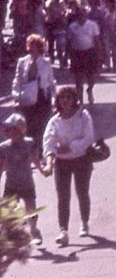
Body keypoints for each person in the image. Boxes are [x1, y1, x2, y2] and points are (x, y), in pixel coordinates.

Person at [43, 86, 97, 246]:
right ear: (58, 101)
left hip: (82, 159)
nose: (65, 101)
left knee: (82, 192)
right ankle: (63, 231)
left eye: (69, 97)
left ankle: (84, 223)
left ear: (75, 100)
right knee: (63, 196)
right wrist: (49, 163)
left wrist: (70, 147)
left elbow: (89, 137)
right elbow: (48, 143)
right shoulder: (54, 121)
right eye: (62, 98)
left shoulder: (83, 116)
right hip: (62, 162)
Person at [0, 113, 49, 245]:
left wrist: (42, 169)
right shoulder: (4, 147)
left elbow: (34, 159)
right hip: (11, 183)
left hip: (26, 182)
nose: (7, 132)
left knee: (31, 208)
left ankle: (34, 230)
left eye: (11, 129)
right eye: (6, 130)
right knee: (6, 209)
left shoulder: (29, 143)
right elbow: (1, 165)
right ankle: (7, 235)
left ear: (20, 130)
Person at [11, 34, 55, 155]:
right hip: (28, 97)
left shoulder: (46, 62)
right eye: (30, 45)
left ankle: (39, 151)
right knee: (29, 125)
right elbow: (17, 80)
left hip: (42, 97)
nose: (31, 48)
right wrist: (16, 97)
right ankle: (31, 151)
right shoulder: (22, 62)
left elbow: (51, 81)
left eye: (34, 45)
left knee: (42, 125)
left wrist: (54, 98)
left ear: (40, 47)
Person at [66, 8, 101, 105]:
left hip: (90, 52)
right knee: (79, 78)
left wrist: (99, 54)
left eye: (83, 15)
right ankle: (80, 101)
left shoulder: (92, 25)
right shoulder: (72, 27)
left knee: (92, 76)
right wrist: (67, 55)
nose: (81, 17)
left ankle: (90, 89)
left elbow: (97, 40)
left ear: (86, 15)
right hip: (77, 53)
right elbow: (69, 41)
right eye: (79, 15)